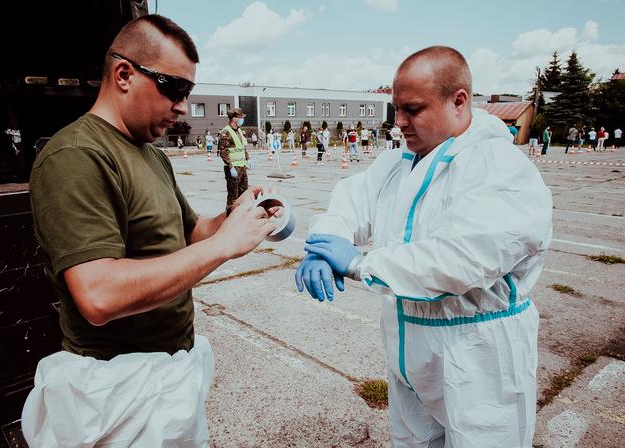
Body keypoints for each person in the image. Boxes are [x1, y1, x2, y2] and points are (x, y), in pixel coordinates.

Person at [27, 14, 277, 445]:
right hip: (113, 391)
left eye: (189, 92)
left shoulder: (151, 154)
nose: (182, 106)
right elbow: (99, 295)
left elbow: (190, 232)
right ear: (124, 74)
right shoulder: (76, 155)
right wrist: (224, 248)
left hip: (168, 376)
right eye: (174, 88)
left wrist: (233, 217)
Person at [295, 46, 552, 447]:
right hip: (409, 351)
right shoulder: (398, 163)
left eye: (411, 109)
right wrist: (327, 243)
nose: (398, 122)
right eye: (396, 109)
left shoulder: (500, 168)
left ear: (459, 101)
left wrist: (363, 265)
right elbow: (350, 202)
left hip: (477, 360)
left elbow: (462, 259)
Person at [219, 108, 251, 213]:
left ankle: (241, 218)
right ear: (234, 118)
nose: (242, 119)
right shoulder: (225, 132)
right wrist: (230, 166)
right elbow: (223, 151)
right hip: (233, 169)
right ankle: (229, 220)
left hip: (242, 167)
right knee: (233, 197)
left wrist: (247, 159)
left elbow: (242, 147)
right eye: (240, 117)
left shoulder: (239, 131)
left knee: (244, 195)